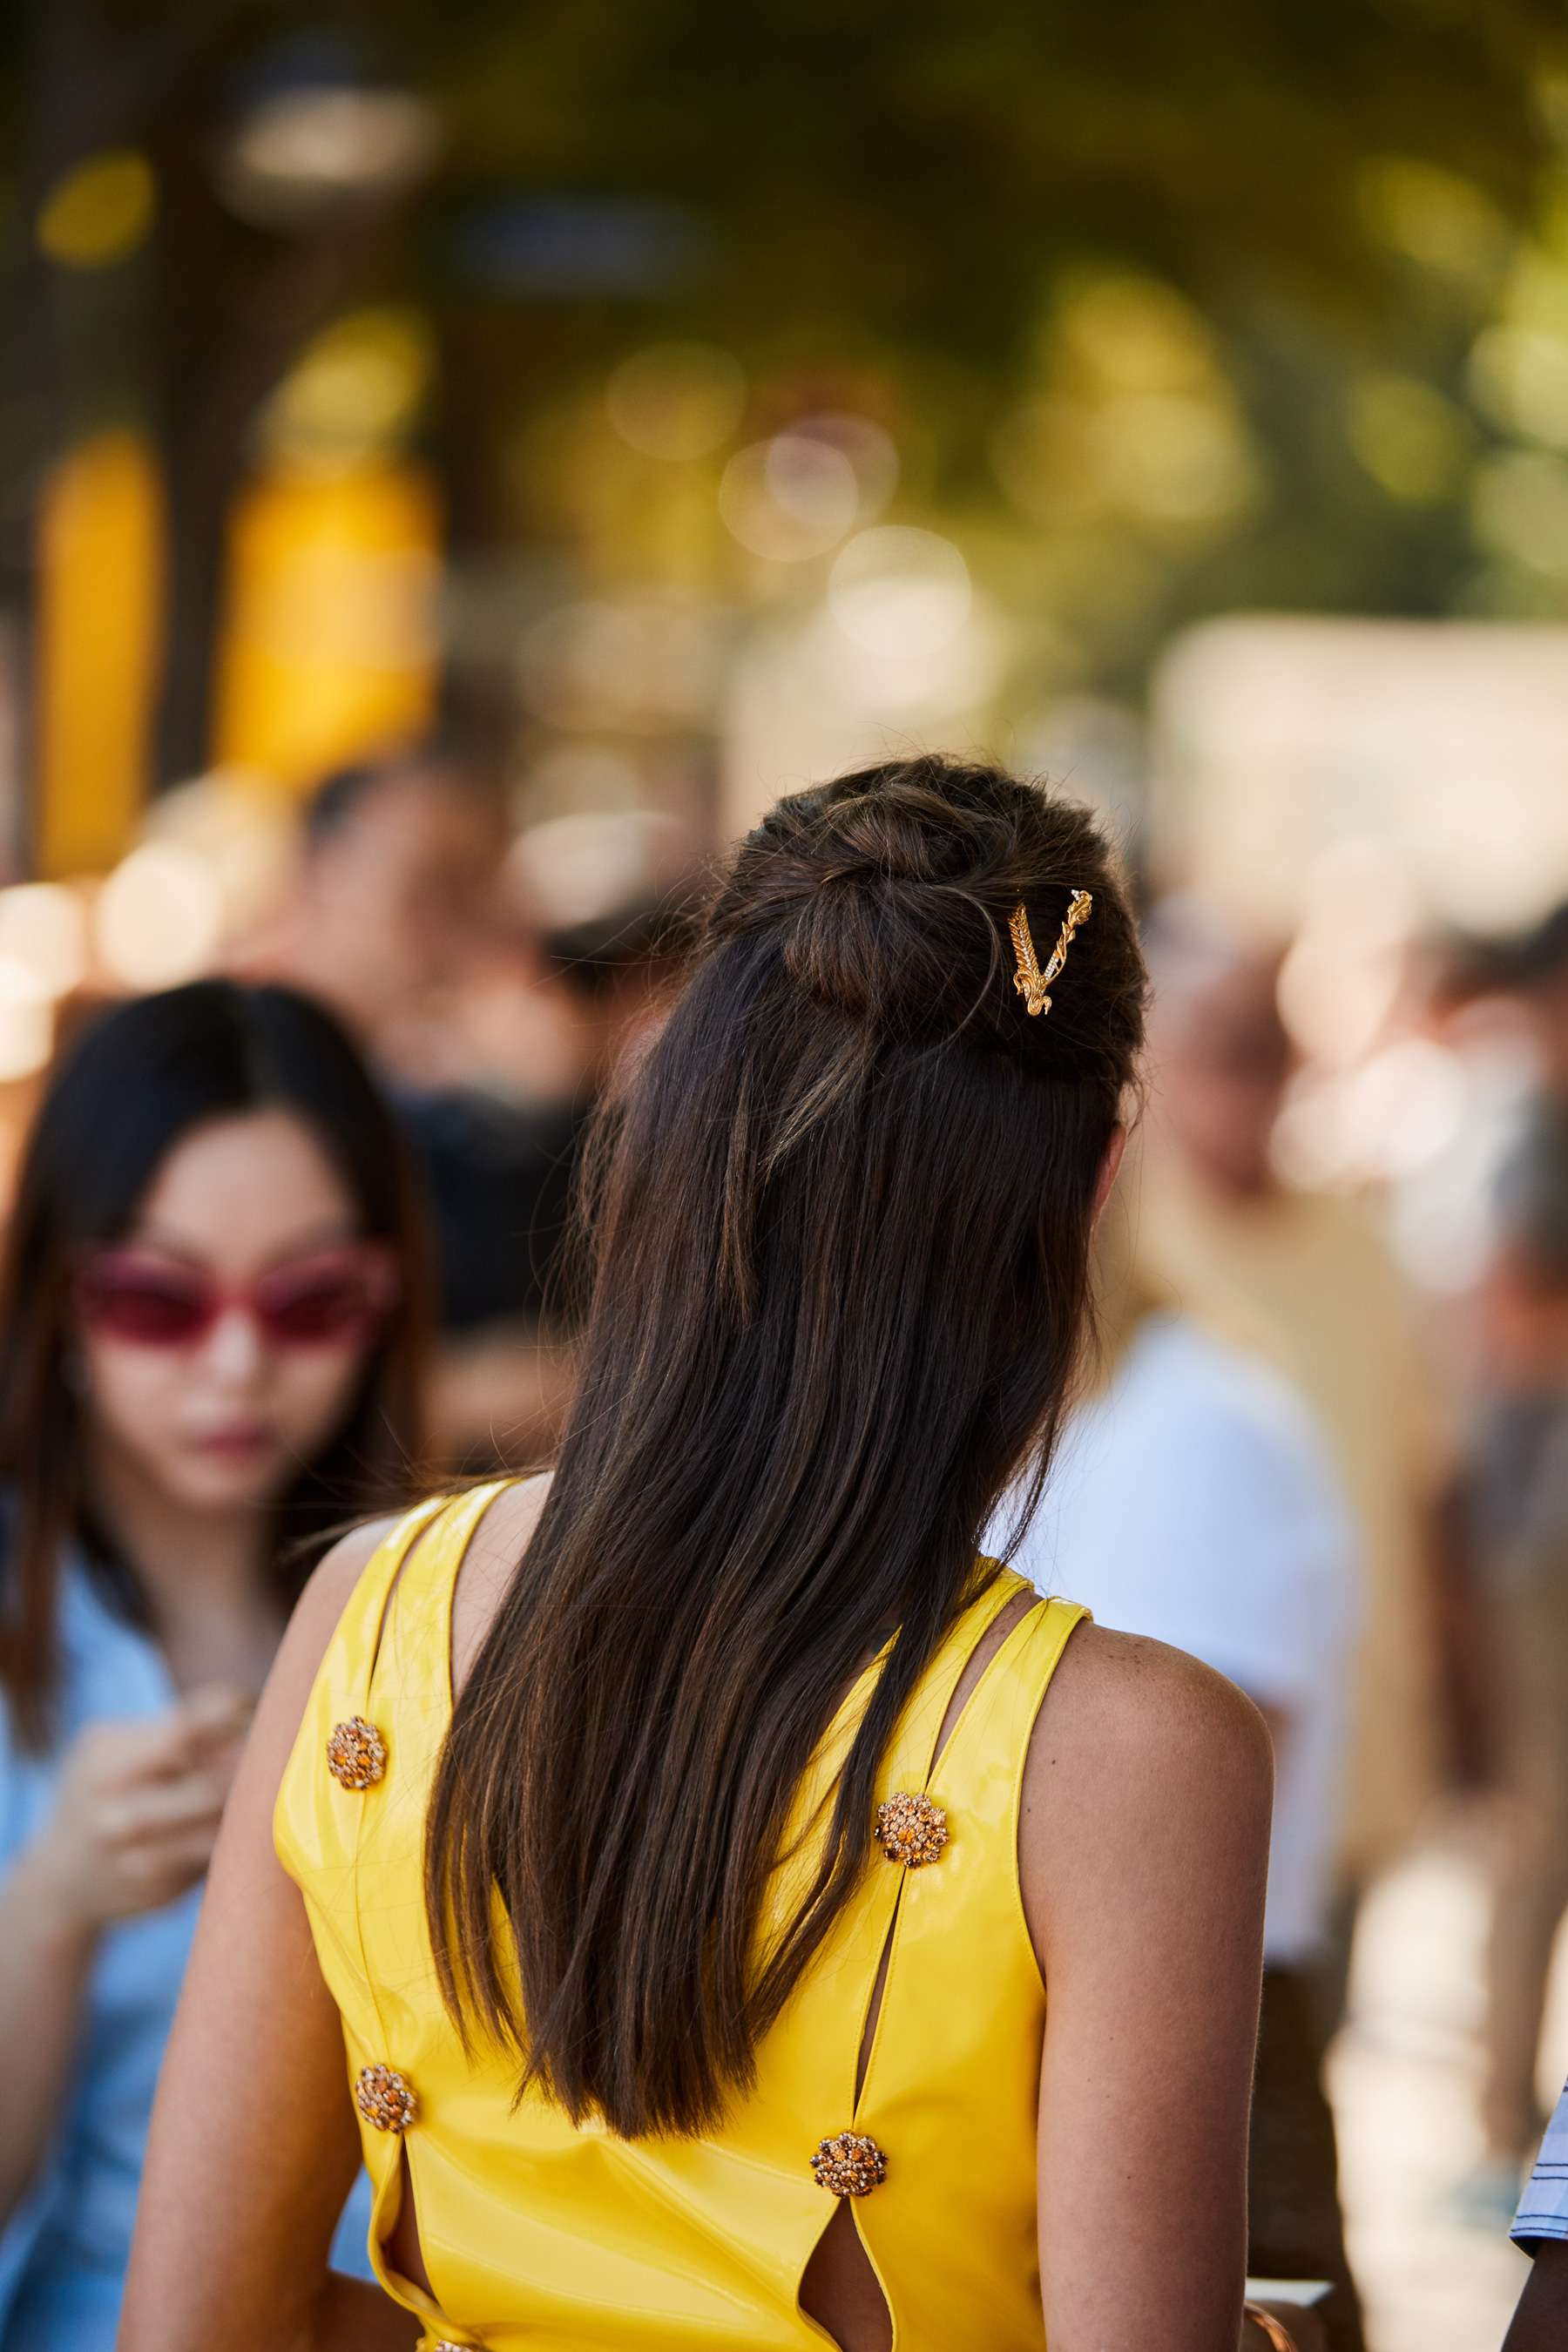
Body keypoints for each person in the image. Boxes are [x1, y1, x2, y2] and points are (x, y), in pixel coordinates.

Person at [123, 758, 1274, 2352]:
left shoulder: (369, 1613)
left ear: (670, 1124)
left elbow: (194, 2331)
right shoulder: (1131, 1754)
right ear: (1088, 1191)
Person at [0, 980, 430, 2349]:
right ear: (57, 1295)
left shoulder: (448, 1604)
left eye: (309, 1301)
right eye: (157, 1300)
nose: (237, 1365)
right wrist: (51, 1907)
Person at [994, 1221, 1362, 2349]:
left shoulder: (1198, 1423)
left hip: (1197, 2037)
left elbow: (1183, 1801)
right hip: (1013, 2035)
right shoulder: (1042, 1416)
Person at [1139, 909, 1453, 2020]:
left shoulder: (1361, 1248)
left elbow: (1424, 1481)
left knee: (1306, 2055)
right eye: (1219, 1044)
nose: (1247, 1077)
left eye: (1266, 1045)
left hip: (1344, 1755)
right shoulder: (1120, 1248)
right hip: (1161, 1797)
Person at [1458, 1102, 1568, 2221]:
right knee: (1544, 1832)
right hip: (1546, 1542)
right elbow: (1510, 1319)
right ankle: (1505, 2133)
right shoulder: (1539, 1128)